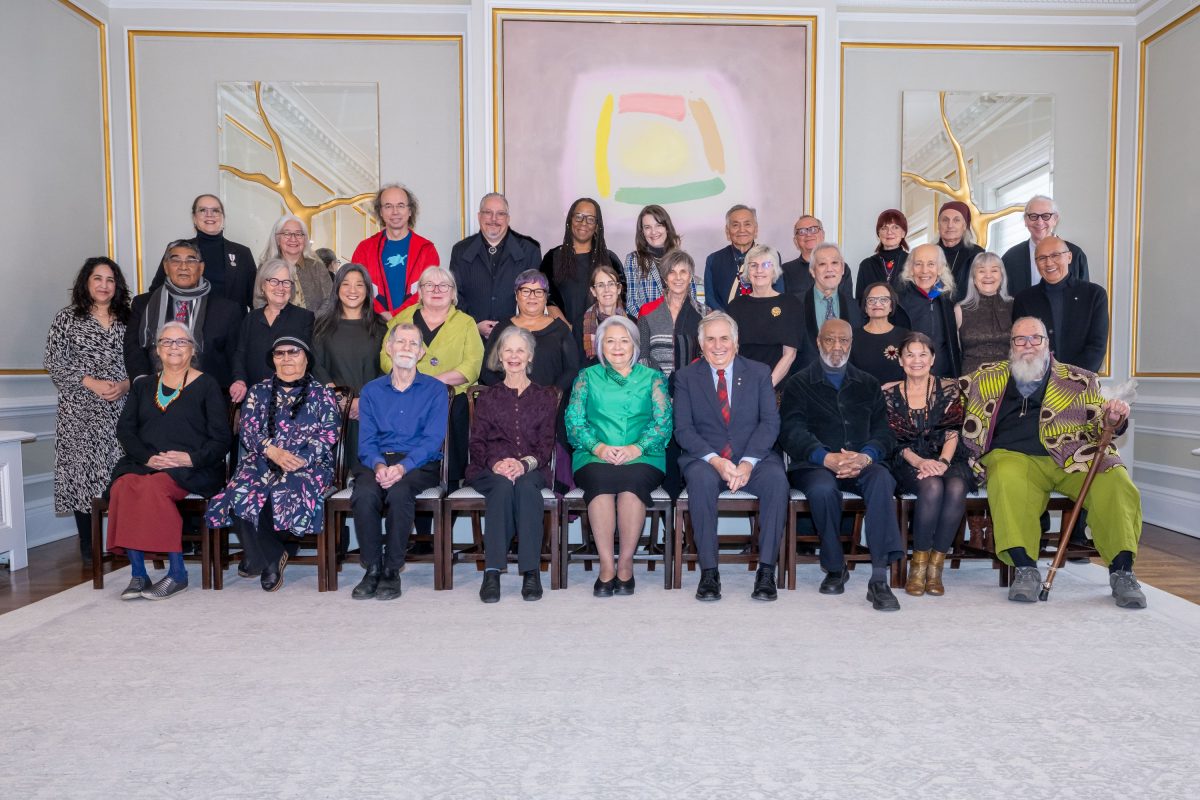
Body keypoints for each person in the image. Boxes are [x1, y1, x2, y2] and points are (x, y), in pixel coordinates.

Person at [959, 317, 1145, 608]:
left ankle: (1122, 571)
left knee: (1115, 480)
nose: (1028, 345)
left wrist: (1114, 418)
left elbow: (1100, 425)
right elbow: (940, 390)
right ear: (1011, 346)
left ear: (1048, 343)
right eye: (1020, 340)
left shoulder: (1080, 379)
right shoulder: (986, 376)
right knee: (1006, 476)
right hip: (1013, 455)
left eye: (1036, 338)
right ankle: (1025, 569)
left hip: (1073, 457)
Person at [778, 319, 903, 611]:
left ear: (851, 343)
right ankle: (835, 567)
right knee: (822, 490)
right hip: (814, 466)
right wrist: (826, 458)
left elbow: (884, 432)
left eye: (843, 340)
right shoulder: (798, 382)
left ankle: (879, 578)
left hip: (862, 462)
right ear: (819, 342)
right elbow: (791, 432)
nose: (837, 346)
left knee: (883, 480)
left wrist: (866, 456)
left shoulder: (868, 383)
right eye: (830, 340)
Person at [106, 322, 231, 600]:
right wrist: (148, 458)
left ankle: (177, 574)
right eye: (167, 342)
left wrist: (190, 457)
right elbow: (125, 430)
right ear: (158, 350)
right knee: (122, 487)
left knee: (155, 488)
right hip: (144, 463)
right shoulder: (143, 386)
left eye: (181, 342)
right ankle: (139, 575)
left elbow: (222, 438)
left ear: (193, 349)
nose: (174, 347)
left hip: (193, 467)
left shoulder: (207, 385)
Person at [206, 336, 339, 591]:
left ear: (306, 359)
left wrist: (301, 458)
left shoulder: (322, 394)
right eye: (280, 353)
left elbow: (329, 433)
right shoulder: (259, 391)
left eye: (293, 352)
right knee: (239, 490)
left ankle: (265, 555)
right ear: (273, 360)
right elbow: (248, 431)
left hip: (308, 463)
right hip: (263, 458)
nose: (287, 358)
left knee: (284, 488)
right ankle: (272, 554)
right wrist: (272, 452)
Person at [672, 312, 788, 601]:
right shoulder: (686, 377)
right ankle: (709, 573)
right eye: (710, 339)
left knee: (777, 481)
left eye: (724, 338)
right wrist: (716, 460)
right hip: (706, 459)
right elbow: (683, 430)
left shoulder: (759, 372)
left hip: (755, 457)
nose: (718, 345)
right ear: (701, 345)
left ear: (736, 343)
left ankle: (765, 572)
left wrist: (748, 461)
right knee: (700, 482)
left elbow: (770, 423)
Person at [566, 316, 672, 597]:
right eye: (610, 341)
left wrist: (635, 448)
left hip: (644, 455)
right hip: (593, 455)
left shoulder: (653, 379)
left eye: (624, 340)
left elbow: (663, 423)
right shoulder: (586, 377)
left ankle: (625, 564)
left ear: (635, 345)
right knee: (600, 483)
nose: (617, 347)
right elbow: (574, 422)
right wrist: (598, 448)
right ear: (600, 346)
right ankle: (606, 566)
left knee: (631, 485)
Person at [350, 323, 449, 601]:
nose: (406, 348)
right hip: (378, 460)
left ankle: (392, 569)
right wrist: (381, 466)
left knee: (400, 492)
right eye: (401, 342)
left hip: (419, 463)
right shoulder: (371, 391)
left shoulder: (435, 390)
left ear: (421, 352)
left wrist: (402, 467)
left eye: (413, 343)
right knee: (365, 493)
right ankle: (372, 567)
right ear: (388, 347)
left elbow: (432, 440)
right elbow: (366, 441)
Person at [44, 257, 133, 565]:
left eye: (110, 280)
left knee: (121, 472)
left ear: (117, 285)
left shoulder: (129, 319)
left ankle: (124, 542)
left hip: (122, 407)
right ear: (86, 282)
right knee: (82, 475)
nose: (104, 285)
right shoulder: (67, 318)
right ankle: (88, 545)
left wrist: (125, 384)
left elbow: (145, 363)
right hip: (79, 411)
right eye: (98, 278)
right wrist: (90, 382)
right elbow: (54, 362)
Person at [466, 327, 557, 603]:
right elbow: (477, 443)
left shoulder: (545, 397)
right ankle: (492, 572)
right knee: (503, 487)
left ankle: (531, 572)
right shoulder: (488, 397)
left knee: (527, 489)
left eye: (520, 350)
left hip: (532, 468)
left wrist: (523, 464)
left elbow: (545, 445)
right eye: (508, 350)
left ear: (529, 356)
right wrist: (496, 464)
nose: (514, 356)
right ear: (500, 356)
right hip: (488, 468)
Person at [881, 332, 974, 596]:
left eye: (923, 354)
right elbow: (895, 441)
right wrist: (922, 462)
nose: (916, 360)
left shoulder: (950, 388)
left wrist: (943, 462)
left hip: (948, 455)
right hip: (907, 459)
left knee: (955, 487)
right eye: (909, 354)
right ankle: (918, 566)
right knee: (932, 487)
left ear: (932, 358)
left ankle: (936, 567)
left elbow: (953, 431)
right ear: (900, 360)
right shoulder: (889, 394)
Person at [384, 266, 483, 484]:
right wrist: (412, 383)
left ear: (453, 292)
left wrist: (431, 382)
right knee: (411, 469)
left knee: (452, 468)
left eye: (443, 285)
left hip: (452, 402)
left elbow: (473, 365)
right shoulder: (402, 320)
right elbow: (385, 356)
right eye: (429, 285)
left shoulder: (466, 323)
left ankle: (449, 494)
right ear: (420, 291)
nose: (436, 290)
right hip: (407, 399)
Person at [126, 240, 245, 393]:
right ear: (165, 267)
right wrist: (142, 382)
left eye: (191, 260)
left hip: (208, 396)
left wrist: (238, 383)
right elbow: (134, 348)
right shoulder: (143, 304)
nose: (183, 267)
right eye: (175, 260)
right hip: (153, 392)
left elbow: (236, 356)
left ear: (201, 268)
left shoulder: (227, 309)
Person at [312, 263, 388, 473]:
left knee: (369, 474)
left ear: (368, 290)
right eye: (346, 284)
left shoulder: (381, 327)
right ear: (336, 289)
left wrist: (364, 401)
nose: (352, 291)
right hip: (333, 408)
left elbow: (387, 367)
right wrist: (340, 398)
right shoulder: (322, 326)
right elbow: (316, 365)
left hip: (372, 408)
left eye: (359, 285)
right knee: (337, 472)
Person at [450, 192, 541, 339]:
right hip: (471, 338)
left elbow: (535, 298)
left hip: (517, 339)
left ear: (508, 219)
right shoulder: (460, 251)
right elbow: (454, 295)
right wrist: (473, 325)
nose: (494, 219)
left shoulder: (529, 251)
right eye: (488, 213)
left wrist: (513, 326)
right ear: (479, 216)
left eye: (500, 214)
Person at [539, 197, 623, 356]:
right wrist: (571, 331)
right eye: (578, 217)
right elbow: (547, 298)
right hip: (563, 339)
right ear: (570, 220)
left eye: (591, 219)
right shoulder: (552, 258)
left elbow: (620, 300)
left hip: (603, 340)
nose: (584, 223)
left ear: (597, 226)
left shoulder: (609, 259)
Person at [1012, 236, 1109, 373]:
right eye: (1042, 258)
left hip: (1080, 383)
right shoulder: (1024, 299)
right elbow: (1021, 346)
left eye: (1055, 255)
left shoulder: (1095, 295)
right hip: (1037, 384)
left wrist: (1069, 380)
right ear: (1036, 263)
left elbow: (1096, 347)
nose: (1049, 263)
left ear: (1069, 257)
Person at [148, 194, 256, 310]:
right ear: (194, 218)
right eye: (203, 210)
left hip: (234, 326)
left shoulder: (243, 253)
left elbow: (255, 299)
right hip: (187, 324)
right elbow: (156, 293)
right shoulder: (176, 250)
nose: (209, 215)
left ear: (223, 217)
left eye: (215, 210)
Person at [229, 259, 315, 404]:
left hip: (291, 399)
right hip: (253, 398)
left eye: (286, 282)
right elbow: (240, 354)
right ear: (263, 285)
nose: (280, 287)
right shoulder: (251, 318)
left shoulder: (304, 317)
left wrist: (278, 381)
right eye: (274, 281)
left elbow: (307, 360)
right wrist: (239, 380)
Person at [479, 270, 577, 398]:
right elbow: (487, 369)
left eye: (538, 291)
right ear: (516, 295)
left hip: (550, 405)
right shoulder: (502, 329)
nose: (532, 296)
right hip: (507, 404)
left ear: (546, 297)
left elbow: (572, 369)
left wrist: (551, 393)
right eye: (526, 291)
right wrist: (507, 392)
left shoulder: (560, 329)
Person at [352, 183, 440, 319]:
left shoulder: (426, 250)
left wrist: (395, 315)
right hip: (374, 324)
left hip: (415, 325)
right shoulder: (364, 249)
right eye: (388, 206)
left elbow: (428, 291)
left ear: (410, 211)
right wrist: (382, 315)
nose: (395, 212)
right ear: (380, 212)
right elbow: (357, 287)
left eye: (400, 205)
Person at [727, 245, 802, 386]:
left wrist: (766, 386)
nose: (759, 270)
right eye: (753, 265)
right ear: (747, 271)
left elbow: (789, 354)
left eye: (766, 265)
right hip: (742, 383)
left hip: (776, 386)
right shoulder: (736, 305)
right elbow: (732, 351)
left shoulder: (790, 304)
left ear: (774, 270)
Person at [637, 250, 711, 381]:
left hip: (693, 384)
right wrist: (656, 386)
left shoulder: (704, 313)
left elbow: (708, 353)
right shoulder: (647, 311)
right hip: (655, 387)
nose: (678, 277)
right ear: (665, 278)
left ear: (690, 277)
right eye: (672, 272)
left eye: (683, 272)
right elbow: (642, 356)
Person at [893, 243, 962, 378]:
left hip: (944, 378)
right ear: (910, 269)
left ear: (940, 269)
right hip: (910, 379)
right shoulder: (898, 301)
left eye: (931, 264)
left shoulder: (949, 299)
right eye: (918, 264)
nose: (924, 270)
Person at [1001, 195, 1090, 295]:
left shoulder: (1075, 254)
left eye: (1046, 216)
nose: (1039, 222)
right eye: (1033, 216)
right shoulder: (1011, 257)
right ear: (1026, 220)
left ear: (1055, 219)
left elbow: (1085, 296)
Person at [797, 243, 863, 369]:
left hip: (845, 383)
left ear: (842, 269)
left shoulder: (855, 307)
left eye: (834, 263)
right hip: (805, 382)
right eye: (822, 264)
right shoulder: (795, 304)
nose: (829, 269)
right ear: (812, 271)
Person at [623, 204, 694, 317]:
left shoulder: (681, 258)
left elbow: (692, 297)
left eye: (658, 225)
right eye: (647, 227)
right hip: (648, 329)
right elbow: (632, 304)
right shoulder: (633, 260)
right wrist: (653, 324)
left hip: (681, 327)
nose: (653, 231)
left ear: (667, 227)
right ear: (642, 232)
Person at [704, 204, 777, 311]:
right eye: (735, 225)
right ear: (727, 231)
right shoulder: (714, 260)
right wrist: (727, 320)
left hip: (763, 320)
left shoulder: (770, 256)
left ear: (755, 230)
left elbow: (777, 294)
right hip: (726, 323)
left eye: (747, 224)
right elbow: (710, 298)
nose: (742, 230)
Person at [258, 214, 332, 312]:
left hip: (317, 326)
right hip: (276, 326)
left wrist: (312, 323)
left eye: (298, 234)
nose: (293, 239)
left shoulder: (317, 266)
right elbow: (259, 302)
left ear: (305, 239)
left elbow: (330, 299)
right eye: (287, 234)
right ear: (277, 239)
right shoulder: (266, 267)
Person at [956, 252, 1014, 374]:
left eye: (994, 270)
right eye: (981, 271)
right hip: (971, 383)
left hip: (1008, 382)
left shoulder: (1014, 306)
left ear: (1002, 276)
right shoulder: (960, 309)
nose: (988, 276)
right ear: (973, 278)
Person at [849, 282, 909, 385]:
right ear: (865, 307)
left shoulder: (905, 336)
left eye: (884, 300)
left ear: (891, 306)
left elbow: (913, 372)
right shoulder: (851, 337)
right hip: (864, 397)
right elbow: (848, 374)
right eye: (871, 300)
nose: (877, 304)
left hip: (899, 397)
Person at [781, 214, 851, 300]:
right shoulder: (786, 270)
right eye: (802, 231)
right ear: (795, 241)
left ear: (823, 234)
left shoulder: (838, 267)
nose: (808, 235)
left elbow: (847, 302)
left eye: (813, 229)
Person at [855, 209, 910, 300]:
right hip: (874, 314)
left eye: (895, 227)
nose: (889, 232)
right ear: (878, 233)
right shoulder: (866, 265)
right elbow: (860, 302)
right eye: (884, 228)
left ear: (903, 233)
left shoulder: (912, 262)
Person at [936, 201, 985, 300]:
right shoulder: (927, 253)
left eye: (956, 220)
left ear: (964, 226)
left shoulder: (976, 254)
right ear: (939, 225)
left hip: (965, 312)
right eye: (945, 220)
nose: (950, 225)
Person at [580, 264, 627, 363]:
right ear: (593, 291)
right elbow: (579, 363)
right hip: (593, 376)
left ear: (618, 289)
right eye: (600, 285)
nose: (607, 290)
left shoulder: (631, 322)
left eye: (611, 284)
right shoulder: (580, 324)